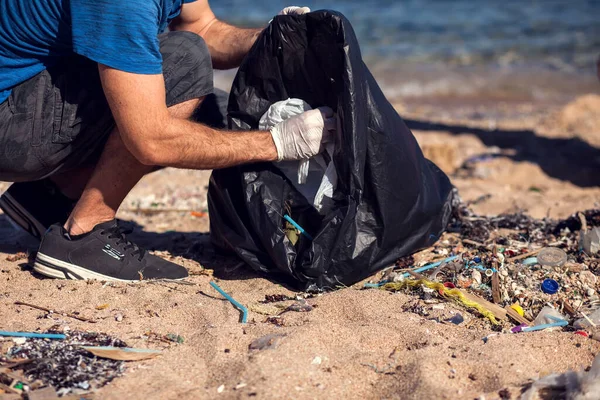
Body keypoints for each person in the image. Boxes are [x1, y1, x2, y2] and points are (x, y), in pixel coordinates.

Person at [0, 1, 334, 282]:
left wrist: (271, 38)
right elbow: (151, 140)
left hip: (29, 95)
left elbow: (203, 27)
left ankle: (52, 195)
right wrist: (277, 143)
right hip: (8, 120)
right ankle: (83, 233)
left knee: (210, 113)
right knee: (184, 61)